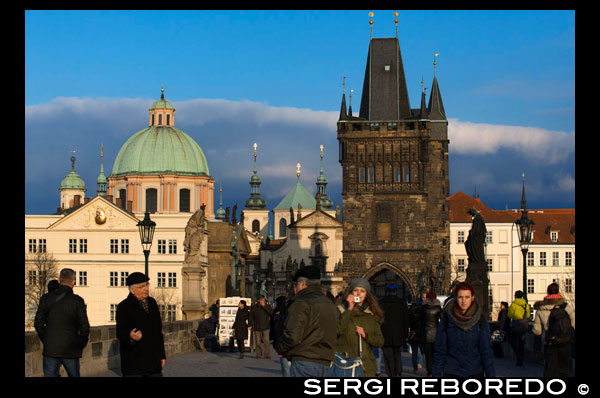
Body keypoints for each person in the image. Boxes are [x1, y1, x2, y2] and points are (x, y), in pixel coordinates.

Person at [274, 265, 339, 377]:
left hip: (304, 360)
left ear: (303, 283)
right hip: (326, 362)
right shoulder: (330, 304)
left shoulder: (301, 303)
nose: (294, 289)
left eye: (295, 285)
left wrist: (279, 347)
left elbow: (292, 335)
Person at [432, 281, 495, 377]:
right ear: (456, 298)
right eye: (460, 297)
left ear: (472, 298)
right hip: (452, 373)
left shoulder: (480, 321)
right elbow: (440, 351)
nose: (463, 301)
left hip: (474, 373)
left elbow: (486, 352)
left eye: (467, 297)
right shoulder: (447, 320)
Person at [34, 268, 90, 377]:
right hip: (71, 348)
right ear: (73, 281)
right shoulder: (77, 301)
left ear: (59, 280)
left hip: (51, 348)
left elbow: (38, 323)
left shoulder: (46, 298)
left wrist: (46, 339)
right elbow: (84, 328)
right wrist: (80, 345)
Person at [116, 273, 166, 377]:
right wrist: (131, 337)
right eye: (141, 287)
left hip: (153, 360)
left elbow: (158, 331)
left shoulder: (152, 303)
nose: (146, 289)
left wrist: (161, 355)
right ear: (132, 290)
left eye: (147, 285)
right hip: (134, 360)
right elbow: (120, 332)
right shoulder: (124, 306)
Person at [334, 278, 385, 378]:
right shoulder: (340, 311)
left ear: (366, 295)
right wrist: (349, 309)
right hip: (345, 365)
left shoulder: (370, 314)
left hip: (366, 367)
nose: (358, 294)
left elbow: (380, 341)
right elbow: (337, 330)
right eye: (355, 290)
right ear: (350, 292)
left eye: (362, 291)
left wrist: (366, 335)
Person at [532, 282, 575, 377]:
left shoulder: (541, 308)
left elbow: (537, 330)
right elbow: (573, 323)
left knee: (550, 368)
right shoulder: (566, 307)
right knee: (564, 369)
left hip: (550, 341)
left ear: (547, 293)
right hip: (565, 341)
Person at [379, 283, 409, 377]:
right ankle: (398, 371)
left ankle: (391, 373)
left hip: (385, 333)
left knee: (388, 356)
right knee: (397, 353)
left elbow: (379, 319)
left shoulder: (382, 303)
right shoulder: (401, 303)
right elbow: (406, 319)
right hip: (398, 333)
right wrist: (405, 334)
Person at [418, 291, 442, 377]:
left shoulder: (423, 308)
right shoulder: (438, 308)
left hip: (426, 333)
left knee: (428, 355)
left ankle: (429, 371)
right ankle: (436, 370)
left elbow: (420, 321)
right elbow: (442, 320)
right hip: (436, 333)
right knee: (436, 354)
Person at [507, 290, 531, 366]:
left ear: (515, 296)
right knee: (521, 343)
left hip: (516, 325)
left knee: (513, 341)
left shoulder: (513, 305)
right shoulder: (526, 305)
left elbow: (509, 315)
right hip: (524, 326)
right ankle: (521, 358)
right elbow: (528, 316)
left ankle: (518, 355)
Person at [271, 296, 291, 376]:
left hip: (284, 345)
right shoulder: (286, 313)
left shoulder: (279, 314)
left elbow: (277, 331)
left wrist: (278, 346)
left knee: (286, 370)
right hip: (286, 344)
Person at [408, 298, 424, 372]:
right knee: (422, 351)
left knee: (414, 352)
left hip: (412, 334)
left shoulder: (410, 315)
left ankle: (415, 367)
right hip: (420, 333)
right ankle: (421, 363)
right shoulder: (420, 314)